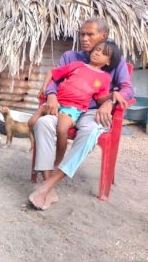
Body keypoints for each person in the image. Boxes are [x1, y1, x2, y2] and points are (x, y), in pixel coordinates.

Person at [29, 17, 133, 210]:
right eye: (82, 34)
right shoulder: (71, 57)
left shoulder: (114, 60)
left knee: (91, 131)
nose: (84, 38)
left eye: (90, 34)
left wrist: (109, 102)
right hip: (64, 107)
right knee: (43, 124)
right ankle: (46, 181)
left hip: (93, 111)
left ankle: (50, 183)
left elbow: (127, 89)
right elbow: (54, 79)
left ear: (104, 36)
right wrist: (51, 95)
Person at [28, 41, 122, 168]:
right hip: (57, 103)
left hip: (73, 108)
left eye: (104, 53)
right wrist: (44, 87)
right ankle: (38, 153)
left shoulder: (104, 78)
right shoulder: (77, 65)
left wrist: (112, 95)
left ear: (109, 62)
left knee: (62, 129)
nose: (98, 53)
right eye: (97, 49)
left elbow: (100, 99)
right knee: (32, 122)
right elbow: (53, 73)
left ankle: (57, 162)